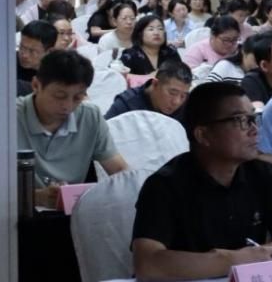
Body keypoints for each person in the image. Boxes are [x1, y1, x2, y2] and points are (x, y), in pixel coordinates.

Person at [128, 81, 272, 282]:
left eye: (253, 119)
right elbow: (148, 264)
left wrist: (255, 257)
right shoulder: (164, 185)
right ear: (203, 135)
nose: (254, 130)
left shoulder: (262, 173)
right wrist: (235, 260)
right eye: (240, 121)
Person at [17, 51, 129, 204]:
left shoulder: (90, 116)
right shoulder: (8, 118)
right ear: (36, 85)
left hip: (73, 212)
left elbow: (119, 171)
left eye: (78, 97)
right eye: (60, 96)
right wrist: (35, 197)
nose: (68, 106)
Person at [106, 60, 193, 120]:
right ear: (155, 84)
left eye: (183, 96)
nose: (177, 102)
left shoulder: (187, 106)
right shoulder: (127, 104)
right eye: (172, 93)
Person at [17, 20, 56, 85]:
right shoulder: (8, 63)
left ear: (49, 51)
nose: (24, 55)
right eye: (22, 47)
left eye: (32, 51)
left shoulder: (55, 78)